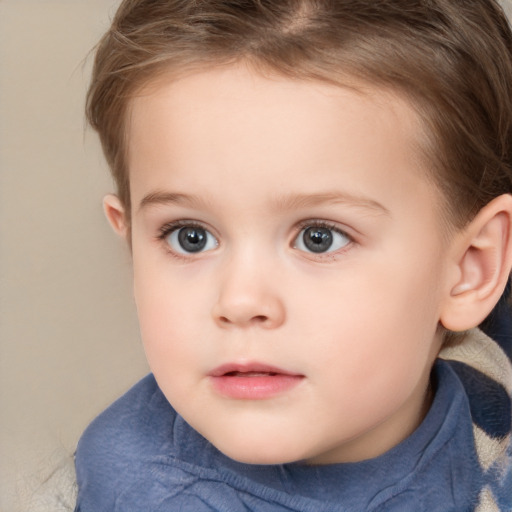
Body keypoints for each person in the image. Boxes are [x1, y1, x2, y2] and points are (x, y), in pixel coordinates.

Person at [74, 1, 512, 510]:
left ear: (471, 269)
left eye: (318, 237)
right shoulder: (150, 496)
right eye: (189, 236)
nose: (240, 301)